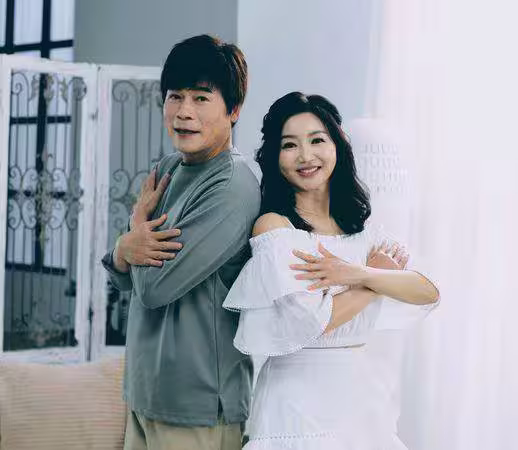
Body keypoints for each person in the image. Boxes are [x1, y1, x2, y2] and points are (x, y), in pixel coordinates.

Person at [223, 92, 440, 449]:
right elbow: (312, 322)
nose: (305, 156)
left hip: (359, 402)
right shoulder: (275, 227)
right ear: (275, 157)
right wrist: (375, 282)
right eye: (289, 145)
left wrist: (359, 273)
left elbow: (428, 291)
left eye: (317, 140)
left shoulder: (363, 233)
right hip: (295, 405)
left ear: (338, 145)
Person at [101, 35, 261, 450]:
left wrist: (134, 233)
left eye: (201, 98)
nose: (184, 112)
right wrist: (125, 246)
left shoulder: (231, 186)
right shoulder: (169, 169)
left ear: (234, 110)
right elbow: (124, 276)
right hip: (146, 394)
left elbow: (155, 288)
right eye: (175, 96)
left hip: (198, 407)